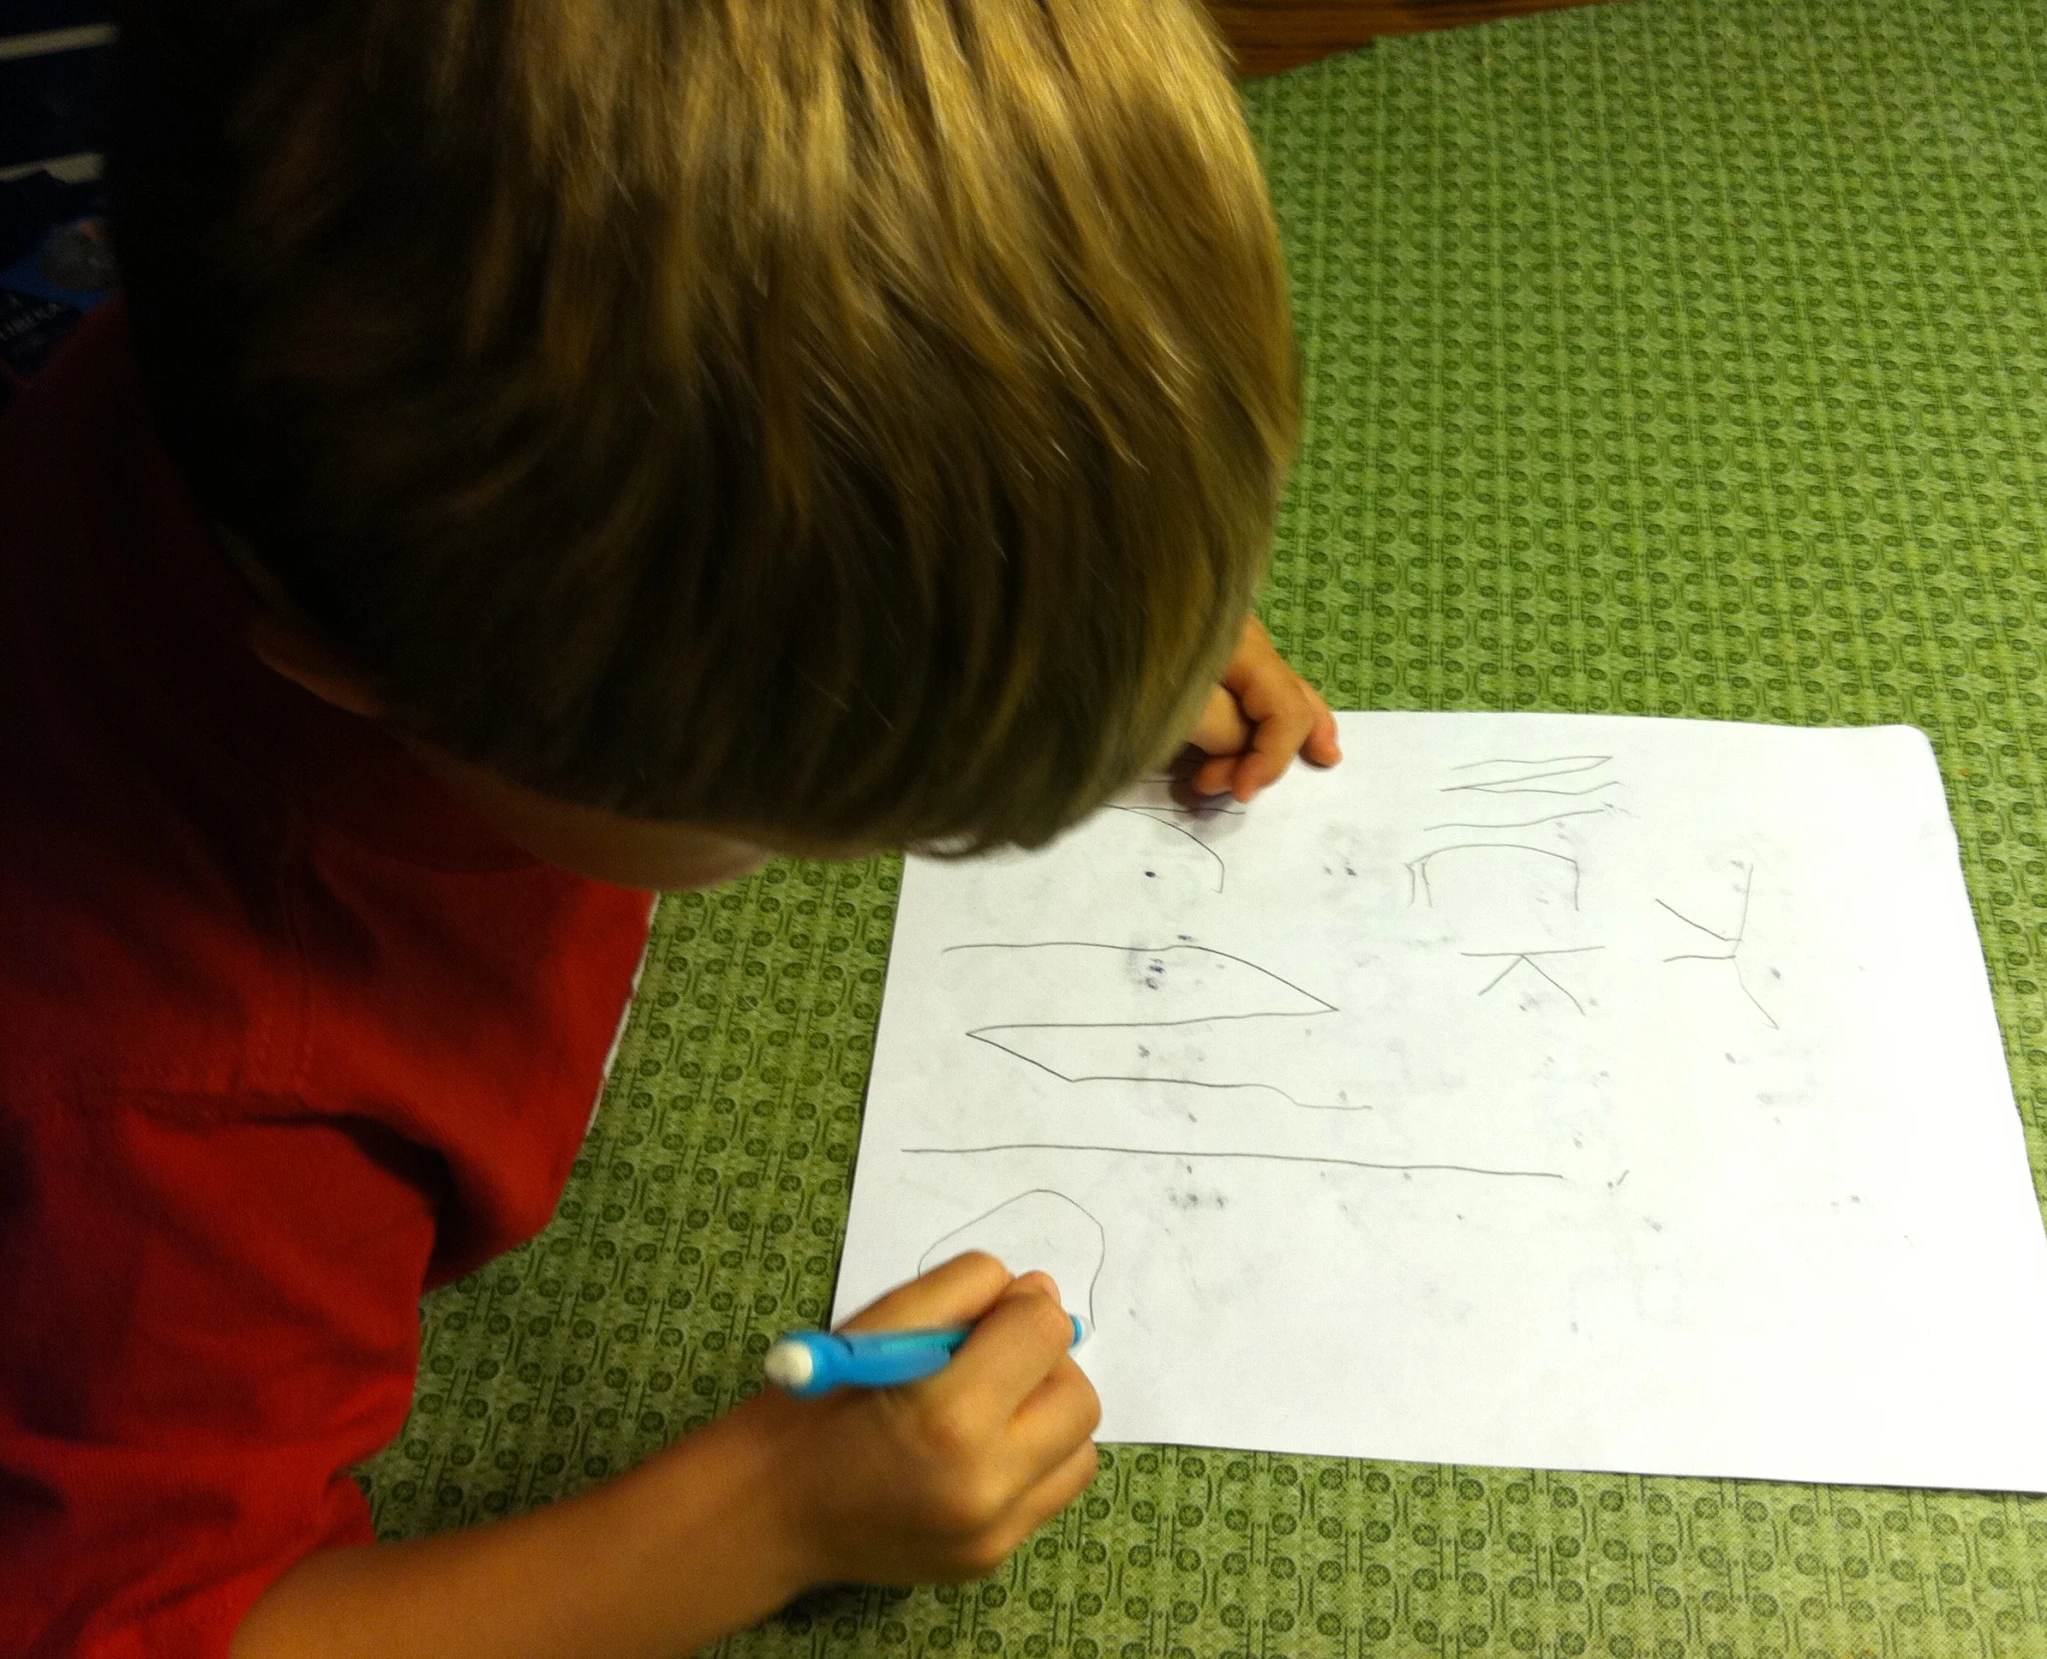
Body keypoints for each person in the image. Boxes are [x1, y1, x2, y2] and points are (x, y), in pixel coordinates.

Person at [0, 1, 1341, 1654]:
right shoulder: (186, 1107)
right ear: (377, 681)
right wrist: (765, 1515)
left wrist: (1065, 610)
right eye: (794, 815)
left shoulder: (324, 354)